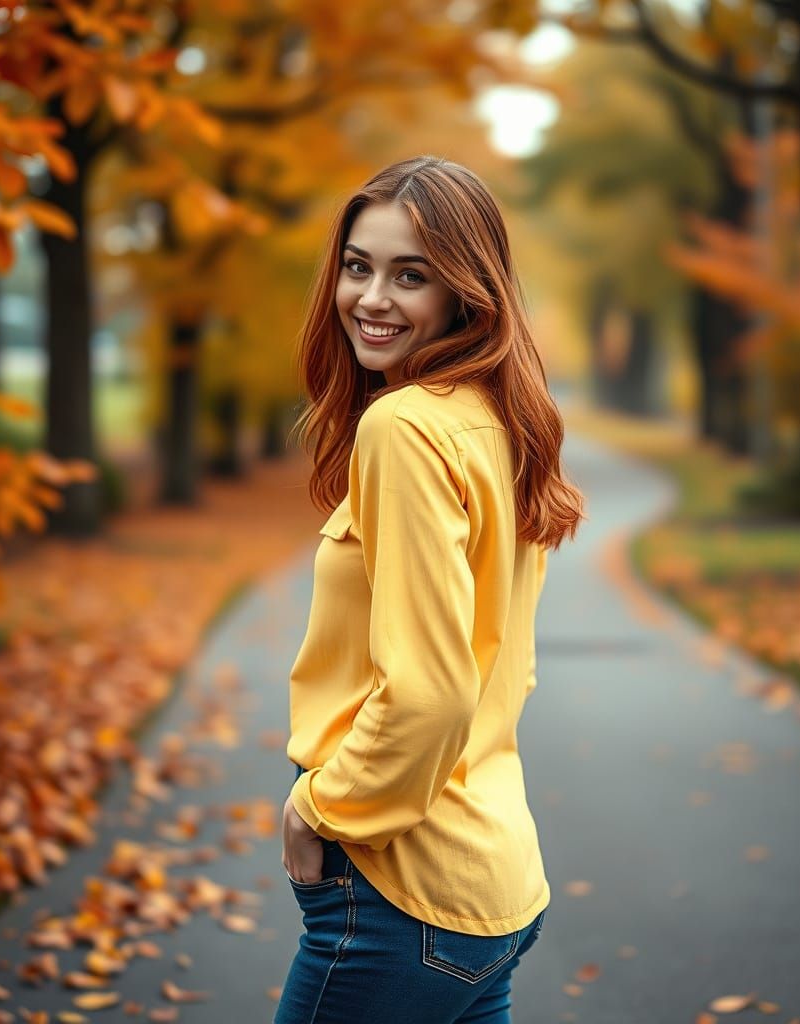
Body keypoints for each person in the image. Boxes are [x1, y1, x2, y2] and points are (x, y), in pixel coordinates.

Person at [276, 155, 585, 1024]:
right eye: (357, 266)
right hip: (487, 888)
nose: (371, 297)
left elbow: (434, 689)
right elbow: (497, 669)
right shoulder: (493, 417)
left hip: (397, 887)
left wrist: (320, 807)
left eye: (411, 275)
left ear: (464, 291)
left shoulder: (406, 426)